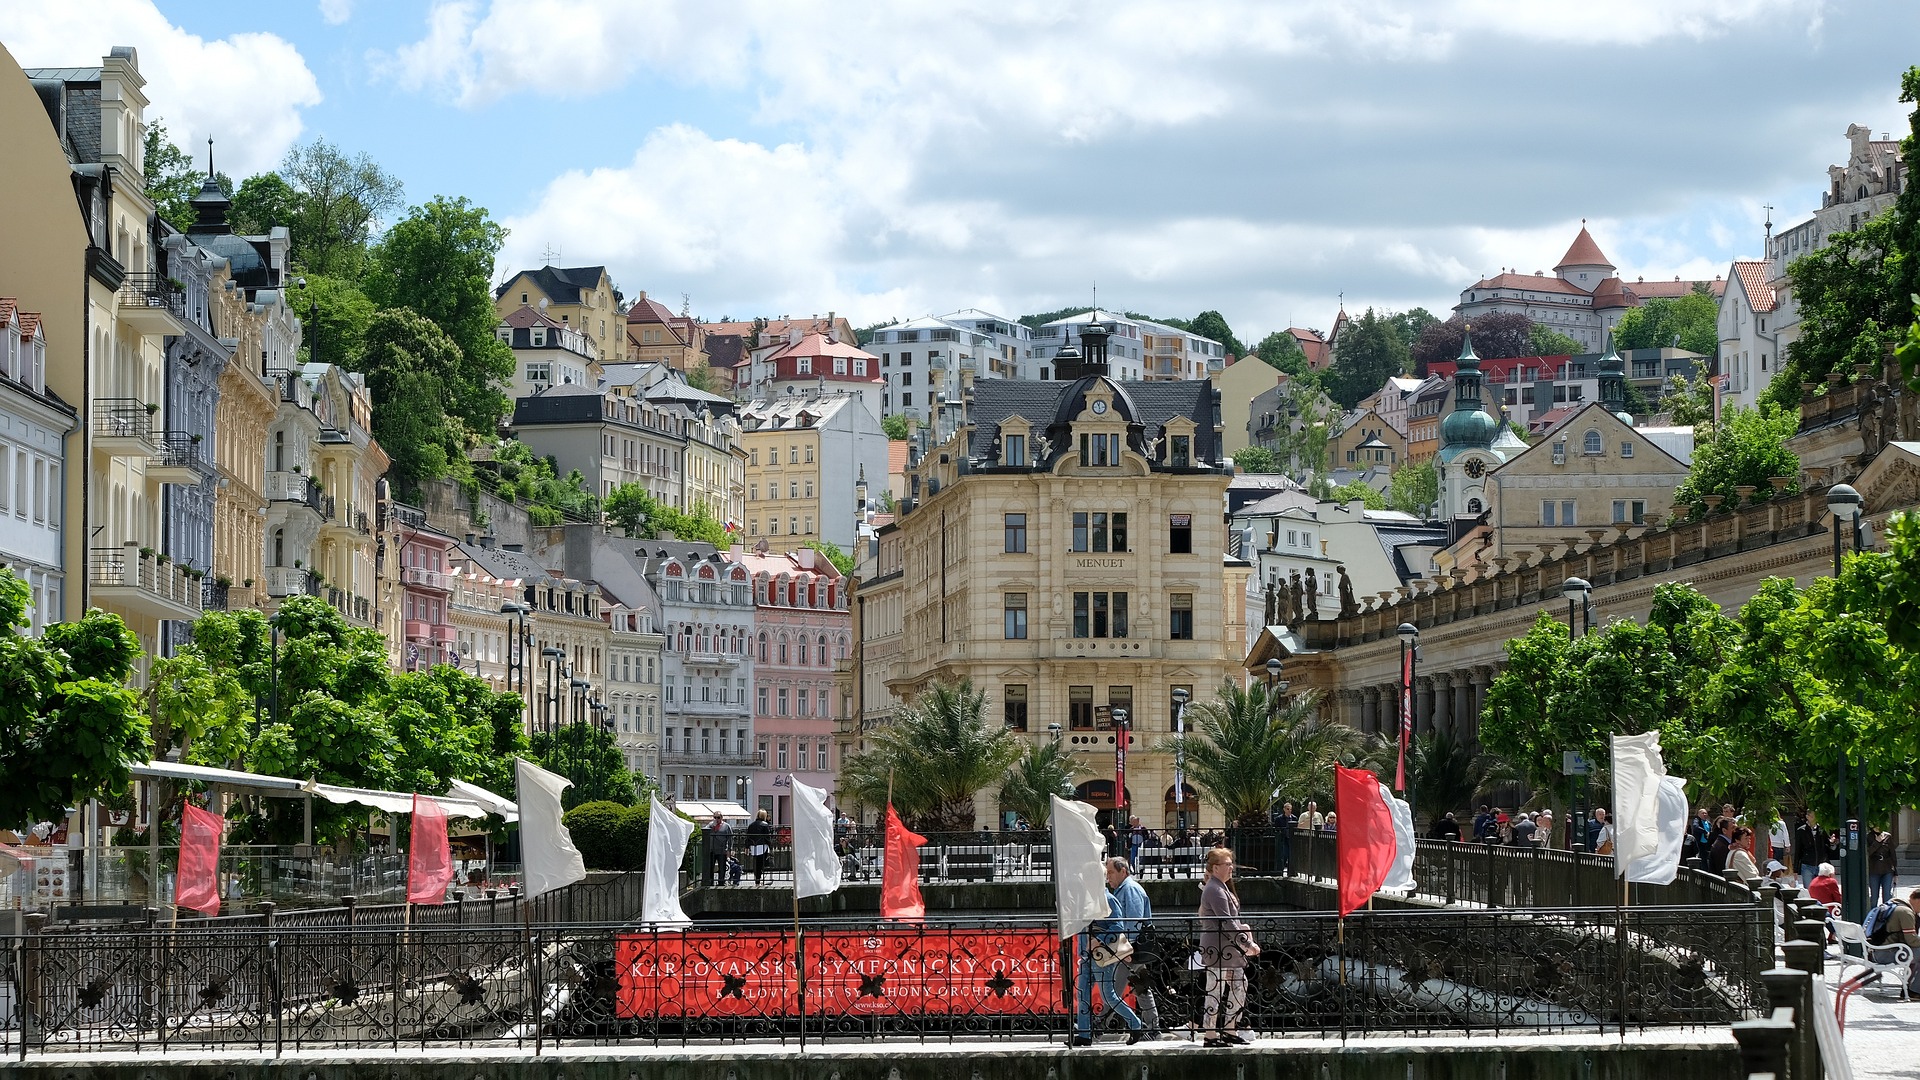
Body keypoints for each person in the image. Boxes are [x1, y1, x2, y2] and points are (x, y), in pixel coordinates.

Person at [1072, 858, 1147, 1046]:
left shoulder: (1108, 899)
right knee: (1083, 993)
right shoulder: (1090, 899)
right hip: (1090, 954)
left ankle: (1135, 1024)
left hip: (1102, 955)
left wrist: (1098, 940)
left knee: (1108, 995)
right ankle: (1084, 1034)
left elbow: (1118, 926)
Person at [1197, 847, 1258, 1048]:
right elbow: (1228, 922)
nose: (1231, 867)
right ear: (1215, 868)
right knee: (1215, 989)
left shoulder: (1220, 886)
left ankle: (1230, 1029)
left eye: (1231, 863)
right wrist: (1247, 944)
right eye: (1227, 864)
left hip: (1227, 949)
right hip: (1218, 949)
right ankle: (1210, 1034)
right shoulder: (1215, 889)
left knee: (1240, 984)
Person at [1108, 857, 1162, 1039]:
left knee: (1113, 990)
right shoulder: (1126, 889)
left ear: (1123, 871)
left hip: (1129, 950)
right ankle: (1153, 1029)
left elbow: (1133, 921)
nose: (1108, 878)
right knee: (1141, 987)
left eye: (1111, 873)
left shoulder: (1129, 890)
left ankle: (1096, 1028)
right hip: (1130, 949)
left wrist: (1126, 950)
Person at [1868, 827, 1897, 909]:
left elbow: (1893, 855)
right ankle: (1873, 915)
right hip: (1874, 869)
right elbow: (1867, 853)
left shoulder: (1887, 836)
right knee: (1874, 896)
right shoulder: (1868, 837)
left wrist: (1895, 872)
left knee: (1887, 895)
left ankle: (1887, 915)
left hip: (1887, 869)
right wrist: (1877, 842)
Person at [745, 810, 775, 886]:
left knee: (756, 864)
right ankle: (758, 880)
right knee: (761, 864)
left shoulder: (751, 825)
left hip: (753, 846)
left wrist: (747, 846)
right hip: (762, 846)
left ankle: (757, 880)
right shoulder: (765, 825)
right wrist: (771, 846)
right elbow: (767, 837)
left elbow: (748, 836)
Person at [704, 812, 733, 888]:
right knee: (710, 867)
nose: (716, 819)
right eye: (715, 817)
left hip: (722, 850)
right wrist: (712, 826)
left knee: (722, 867)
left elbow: (730, 839)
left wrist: (729, 850)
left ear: (721, 817)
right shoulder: (711, 825)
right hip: (712, 850)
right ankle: (710, 882)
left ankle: (721, 883)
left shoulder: (726, 826)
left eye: (718, 817)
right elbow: (705, 831)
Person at [1794, 812, 1824, 885]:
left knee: (1819, 891)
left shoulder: (1821, 830)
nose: (1813, 817)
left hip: (1820, 865)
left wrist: (1832, 842)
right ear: (1807, 817)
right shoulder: (1801, 830)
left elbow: (1826, 846)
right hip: (1807, 865)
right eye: (1810, 815)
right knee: (1809, 890)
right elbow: (1798, 850)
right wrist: (1795, 869)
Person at [1271, 801, 1298, 876]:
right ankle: (1280, 872)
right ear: (1284, 809)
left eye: (1290, 809)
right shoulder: (1279, 819)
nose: (1289, 811)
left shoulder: (1294, 818)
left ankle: (1292, 872)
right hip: (1283, 839)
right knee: (1284, 855)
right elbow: (1276, 829)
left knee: (1292, 856)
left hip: (1291, 840)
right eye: (1288, 809)